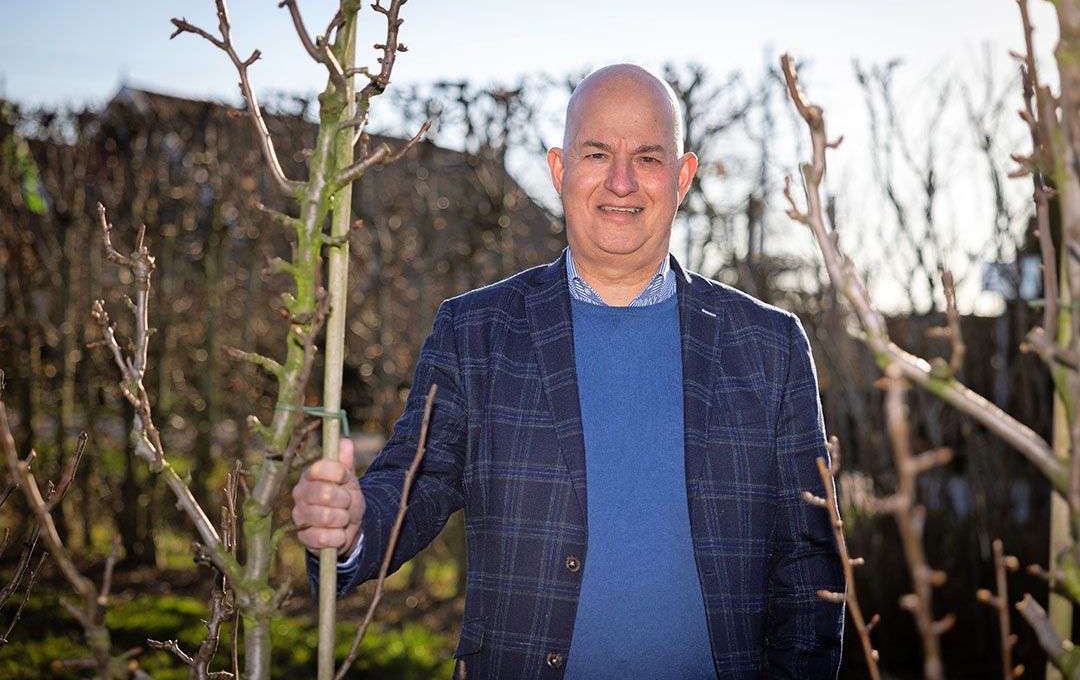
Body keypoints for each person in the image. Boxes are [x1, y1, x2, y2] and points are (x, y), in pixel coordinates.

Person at [292, 63, 845, 679]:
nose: (621, 181)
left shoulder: (770, 347)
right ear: (559, 170)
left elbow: (811, 569)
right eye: (597, 153)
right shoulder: (477, 332)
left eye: (649, 158)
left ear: (683, 177)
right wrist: (353, 524)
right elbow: (415, 481)